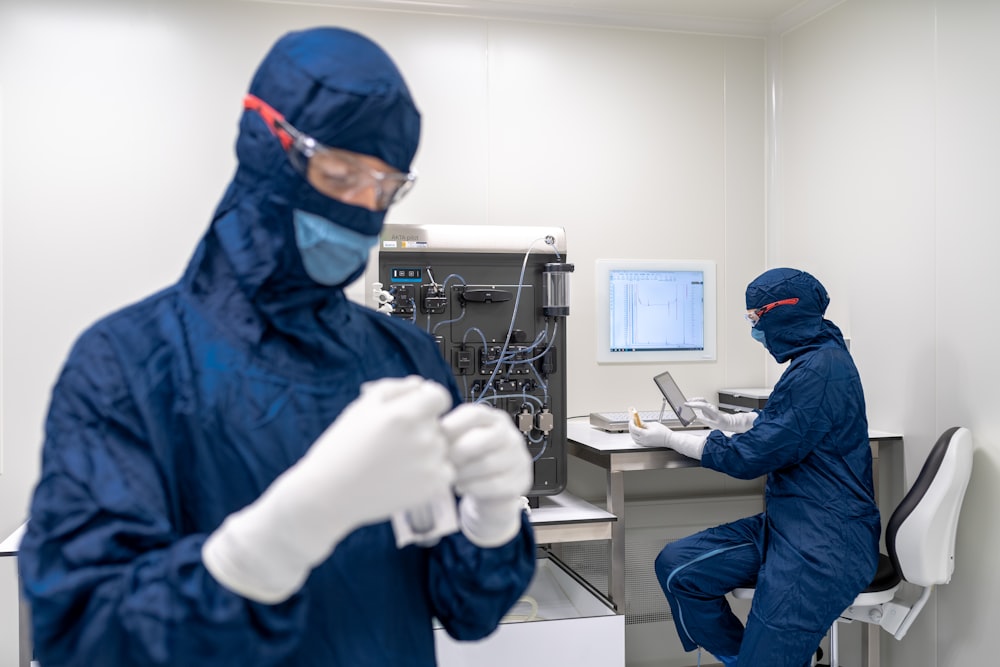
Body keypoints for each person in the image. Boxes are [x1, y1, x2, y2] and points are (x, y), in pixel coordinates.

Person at [18, 27, 536, 667]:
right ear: (266, 145)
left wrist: (491, 519)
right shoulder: (125, 364)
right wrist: (279, 536)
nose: (361, 207)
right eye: (341, 174)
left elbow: (469, 613)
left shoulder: (406, 358)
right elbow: (86, 635)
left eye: (384, 187)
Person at [629, 268, 879, 667]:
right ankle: (746, 658)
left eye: (756, 317)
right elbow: (791, 422)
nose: (755, 329)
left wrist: (671, 438)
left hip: (825, 542)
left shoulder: (820, 368)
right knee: (679, 568)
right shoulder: (817, 352)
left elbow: (751, 457)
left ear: (787, 311)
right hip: (786, 523)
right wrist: (728, 420)